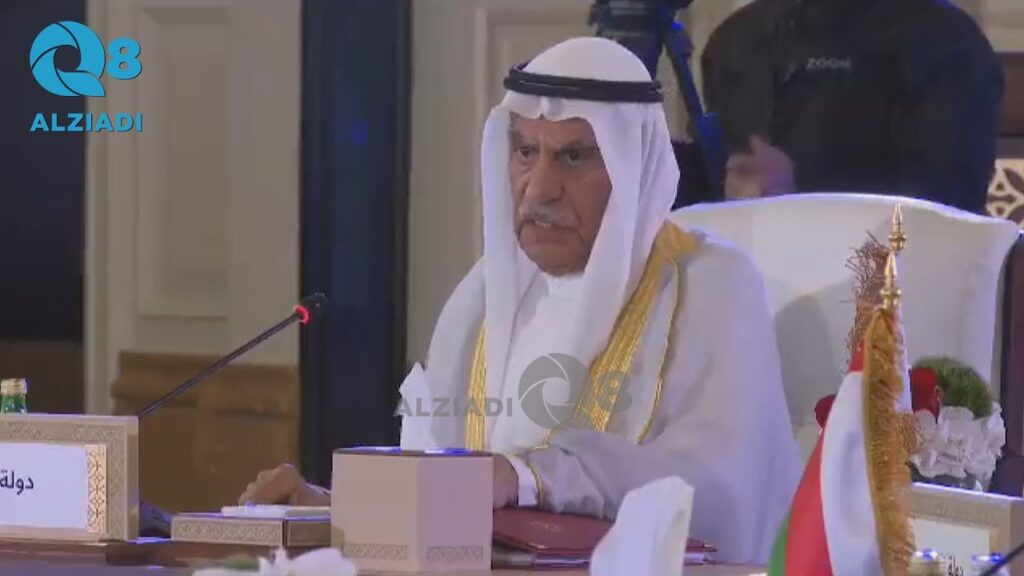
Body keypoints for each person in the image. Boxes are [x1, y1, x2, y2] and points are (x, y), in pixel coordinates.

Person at [238, 37, 800, 564]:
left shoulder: (709, 287)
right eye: (526, 151)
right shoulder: (482, 297)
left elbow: (718, 492)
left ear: (634, 167)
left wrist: (531, 476)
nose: (539, 188)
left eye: (574, 157)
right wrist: (327, 513)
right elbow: (440, 494)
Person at [701, 0, 1004, 214]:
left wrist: (803, 185)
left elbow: (951, 192)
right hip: (744, 265)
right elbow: (712, 170)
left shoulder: (944, 39)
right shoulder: (736, 37)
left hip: (891, 271)